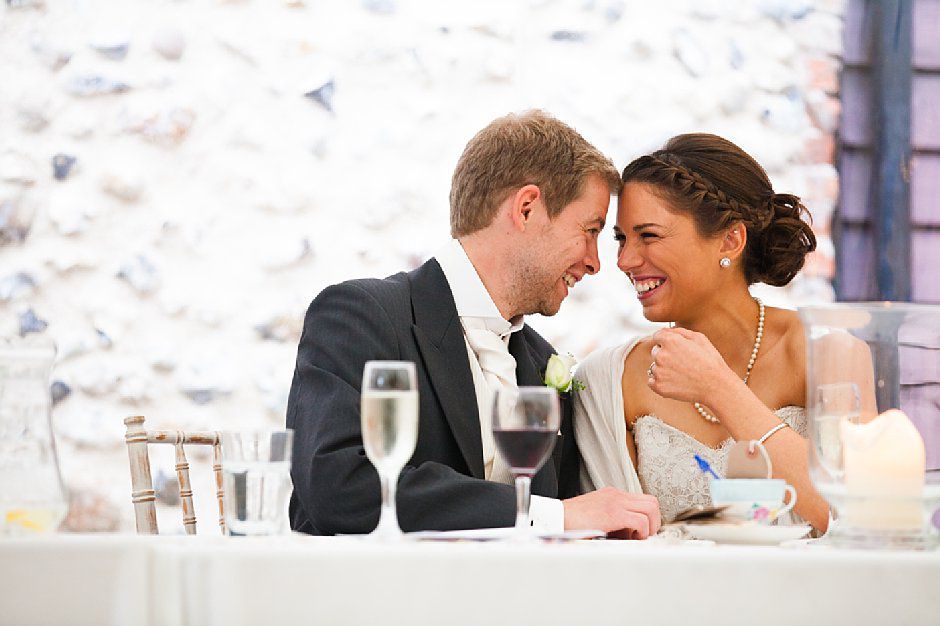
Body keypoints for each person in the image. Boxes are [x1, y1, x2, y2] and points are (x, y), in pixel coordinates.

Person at [287, 110, 661, 537]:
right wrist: (554, 518)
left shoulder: (542, 362)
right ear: (526, 209)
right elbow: (339, 487)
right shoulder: (360, 315)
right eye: (590, 230)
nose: (595, 263)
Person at [574, 133, 830, 532]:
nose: (625, 260)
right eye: (622, 239)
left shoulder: (824, 353)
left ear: (731, 240)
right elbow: (618, 550)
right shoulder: (609, 381)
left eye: (649, 235)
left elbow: (852, 516)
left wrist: (718, 388)